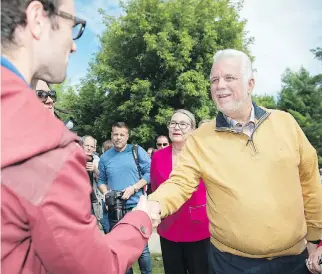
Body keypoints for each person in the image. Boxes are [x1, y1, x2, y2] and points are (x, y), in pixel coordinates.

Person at [1, 1, 160, 273]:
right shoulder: (48, 148)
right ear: (37, 19)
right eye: (72, 25)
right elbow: (92, 267)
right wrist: (140, 221)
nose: (74, 45)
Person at [147, 49, 322, 274]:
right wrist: (155, 203)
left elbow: (310, 183)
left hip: (294, 261)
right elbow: (180, 182)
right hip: (230, 264)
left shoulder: (286, 123)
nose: (220, 85)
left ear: (250, 84)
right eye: (214, 80)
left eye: (229, 78)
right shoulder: (201, 138)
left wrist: (317, 240)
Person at [151, 109, 210, 274]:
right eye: (173, 123)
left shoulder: (202, 155)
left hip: (198, 227)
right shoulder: (158, 156)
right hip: (169, 228)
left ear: (193, 129)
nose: (177, 127)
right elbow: (156, 187)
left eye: (183, 124)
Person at [98, 122, 153, 274]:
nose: (118, 138)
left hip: (135, 207)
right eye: (115, 134)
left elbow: (150, 173)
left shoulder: (136, 151)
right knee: (120, 250)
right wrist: (106, 192)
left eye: (122, 135)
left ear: (127, 136)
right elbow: (101, 181)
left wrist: (134, 187)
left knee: (142, 249)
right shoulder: (105, 157)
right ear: (111, 135)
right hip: (114, 208)